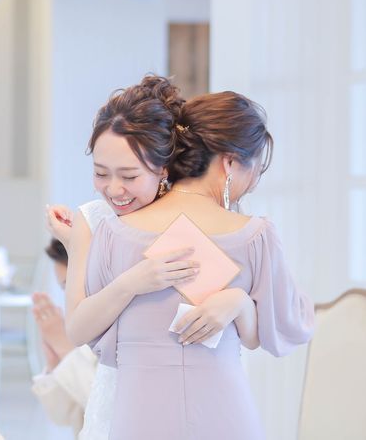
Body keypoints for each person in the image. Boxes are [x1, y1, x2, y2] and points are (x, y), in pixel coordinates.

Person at [76, 91, 314, 439]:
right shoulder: (254, 236)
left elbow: (96, 339)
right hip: (226, 412)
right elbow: (281, 330)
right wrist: (241, 303)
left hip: (140, 414)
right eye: (255, 168)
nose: (254, 182)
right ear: (229, 163)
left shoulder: (115, 233)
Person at [46, 75, 226, 440]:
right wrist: (132, 281)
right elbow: (77, 329)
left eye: (129, 176)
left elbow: (221, 328)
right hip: (115, 401)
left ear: (163, 168)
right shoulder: (93, 219)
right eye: (100, 173)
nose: (114, 189)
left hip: (183, 398)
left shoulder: (185, 222)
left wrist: (235, 301)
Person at [31, 239, 98, 437]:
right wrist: (55, 364)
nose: (69, 298)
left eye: (72, 286)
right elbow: (63, 416)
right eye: (64, 289)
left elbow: (106, 409)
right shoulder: (83, 327)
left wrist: (66, 350)